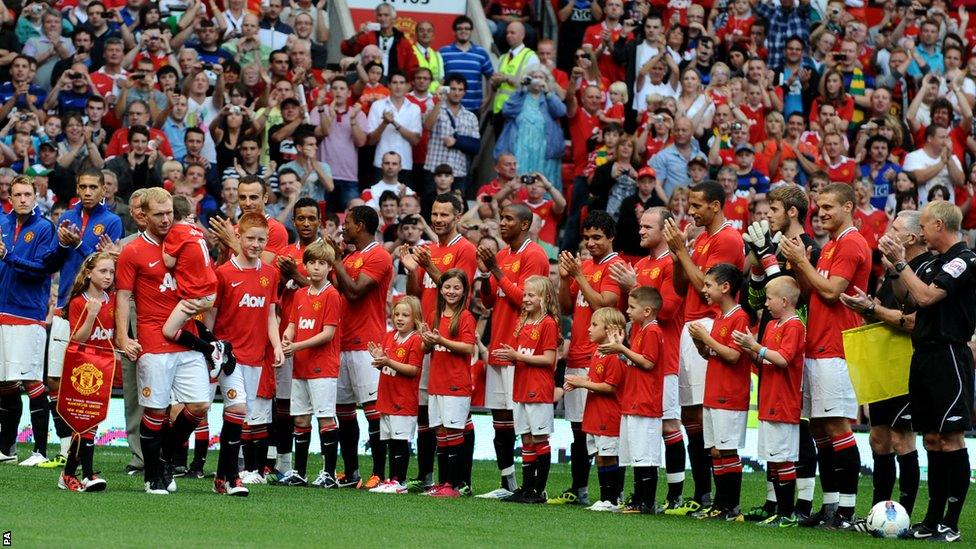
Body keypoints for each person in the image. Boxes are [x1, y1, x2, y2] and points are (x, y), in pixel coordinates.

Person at [878, 201, 973, 542]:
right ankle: (932, 520)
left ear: (937, 225)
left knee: (951, 439)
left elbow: (928, 297)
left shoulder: (964, 259)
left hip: (949, 353)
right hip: (923, 354)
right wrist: (893, 266)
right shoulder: (933, 261)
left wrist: (902, 263)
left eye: (926, 223)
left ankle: (951, 522)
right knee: (931, 439)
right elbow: (908, 300)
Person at [781, 183, 871, 529]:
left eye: (829, 207)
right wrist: (795, 264)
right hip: (817, 344)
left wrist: (803, 260)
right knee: (819, 428)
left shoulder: (850, 243)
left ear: (849, 206)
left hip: (837, 346)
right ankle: (831, 506)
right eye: (818, 207)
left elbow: (833, 292)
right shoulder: (831, 245)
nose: (821, 213)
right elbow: (810, 292)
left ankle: (847, 511)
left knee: (837, 426)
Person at [115, 187, 211, 495]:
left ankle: (164, 459)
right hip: (153, 338)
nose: (166, 219)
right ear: (143, 216)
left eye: (169, 212)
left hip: (187, 336)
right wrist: (122, 336)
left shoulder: (187, 240)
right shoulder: (133, 251)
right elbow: (123, 296)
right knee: (155, 411)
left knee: (199, 405)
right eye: (159, 214)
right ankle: (152, 474)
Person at [662, 181, 745, 515]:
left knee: (700, 412)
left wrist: (682, 251)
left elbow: (708, 288)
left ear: (714, 205)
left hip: (711, 323)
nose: (690, 211)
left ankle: (711, 496)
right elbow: (683, 286)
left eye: (696, 206)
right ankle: (704, 494)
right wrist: (678, 253)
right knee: (690, 415)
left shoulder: (726, 238)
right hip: (690, 322)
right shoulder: (700, 238)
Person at [840, 210, 926, 519]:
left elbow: (912, 322)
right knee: (878, 439)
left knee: (903, 439)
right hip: (882, 366)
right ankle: (878, 511)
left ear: (911, 238)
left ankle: (904, 515)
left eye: (896, 228)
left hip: (905, 367)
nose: (887, 231)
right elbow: (883, 313)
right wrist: (866, 308)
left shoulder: (920, 271)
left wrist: (873, 309)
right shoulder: (890, 270)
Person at [609, 207, 686, 511]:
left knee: (668, 425)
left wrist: (634, 285)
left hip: (664, 359)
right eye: (640, 226)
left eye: (647, 227)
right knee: (644, 427)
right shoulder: (641, 264)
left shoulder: (671, 264)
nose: (640, 231)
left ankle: (675, 493)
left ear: (665, 229)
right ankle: (645, 494)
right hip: (639, 356)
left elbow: (665, 311)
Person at [399, 193, 477, 491]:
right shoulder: (428, 248)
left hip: (452, 333)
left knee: (458, 414)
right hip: (428, 334)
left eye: (445, 215)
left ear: (457, 216)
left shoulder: (464, 249)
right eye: (435, 214)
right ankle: (428, 475)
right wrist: (412, 269)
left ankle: (462, 480)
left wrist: (429, 265)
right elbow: (417, 291)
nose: (439, 219)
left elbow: (458, 288)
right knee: (427, 409)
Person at [550, 210, 625, 505]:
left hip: (602, 355)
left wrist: (579, 275)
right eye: (587, 237)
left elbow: (603, 308)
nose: (591, 243)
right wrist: (565, 278)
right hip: (578, 352)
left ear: (610, 238)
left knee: (602, 429)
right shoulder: (588, 266)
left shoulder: (614, 266)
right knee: (577, 427)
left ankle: (612, 493)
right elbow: (568, 306)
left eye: (597, 237)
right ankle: (578, 488)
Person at [475, 203, 549, 499]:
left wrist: (495, 270)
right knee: (501, 420)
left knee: (525, 423)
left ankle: (533, 487)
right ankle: (508, 483)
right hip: (498, 347)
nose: (502, 223)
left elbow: (528, 301)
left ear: (525, 224)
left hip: (520, 350)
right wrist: (484, 277)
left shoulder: (535, 255)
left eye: (508, 219)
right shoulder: (503, 255)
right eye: (501, 218)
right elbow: (492, 302)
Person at [207, 213, 283, 492]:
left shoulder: (270, 274)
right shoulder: (223, 273)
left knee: (240, 414)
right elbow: (211, 318)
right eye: (250, 238)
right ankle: (231, 478)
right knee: (237, 409)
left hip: (256, 357)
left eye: (261, 239)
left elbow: (270, 314)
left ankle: (220, 477)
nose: (255, 244)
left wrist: (275, 345)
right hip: (230, 356)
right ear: (238, 237)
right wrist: (211, 352)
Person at [0, 175, 66, 466]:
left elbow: (42, 269)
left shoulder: (43, 228)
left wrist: (9, 256)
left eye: (28, 194)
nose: (23, 199)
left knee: (30, 381)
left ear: (36, 196)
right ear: (10, 198)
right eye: (18, 194)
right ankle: (8, 448)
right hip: (2, 310)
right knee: (4, 383)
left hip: (28, 313)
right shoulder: (2, 224)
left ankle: (40, 450)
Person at [327, 205, 393, 490]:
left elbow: (354, 292)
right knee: (343, 411)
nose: (344, 227)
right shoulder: (351, 256)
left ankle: (379, 472)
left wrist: (337, 261)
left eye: (349, 223)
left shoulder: (378, 256)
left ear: (362, 226)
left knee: (372, 411)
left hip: (367, 343)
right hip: (341, 341)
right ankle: (351, 471)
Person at [732, 276, 806, 527]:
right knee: (774, 458)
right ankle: (781, 512)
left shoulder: (795, 326)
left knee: (783, 457)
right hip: (769, 398)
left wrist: (757, 347)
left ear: (784, 301)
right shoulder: (774, 325)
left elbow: (784, 359)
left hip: (784, 401)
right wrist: (749, 349)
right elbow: (765, 360)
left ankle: (787, 514)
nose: (766, 304)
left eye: (769, 298)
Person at [687, 264, 750, 521]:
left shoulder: (739, 316)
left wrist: (707, 338)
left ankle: (731, 507)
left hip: (730, 395)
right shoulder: (719, 318)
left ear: (725, 287)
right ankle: (719, 504)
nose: (704, 290)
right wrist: (699, 342)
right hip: (714, 392)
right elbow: (712, 354)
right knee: (715, 450)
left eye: (708, 285)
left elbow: (734, 355)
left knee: (727, 450)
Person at [278, 240, 342, 488]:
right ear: (304, 265)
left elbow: (327, 334)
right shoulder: (301, 294)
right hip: (301, 366)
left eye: (322, 263)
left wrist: (296, 346)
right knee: (301, 419)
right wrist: (288, 336)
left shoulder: (332, 295)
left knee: (325, 418)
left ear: (329, 268)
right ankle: (300, 472)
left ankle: (329, 473)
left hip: (322, 367)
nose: (316, 268)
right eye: (312, 263)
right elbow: (294, 323)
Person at [492, 275, 559, 504]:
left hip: (538, 389)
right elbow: (523, 354)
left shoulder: (548, 323)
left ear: (544, 298)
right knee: (527, 439)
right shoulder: (523, 321)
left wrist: (517, 356)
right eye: (525, 294)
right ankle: (527, 488)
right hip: (521, 387)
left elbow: (549, 359)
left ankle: (539, 491)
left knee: (539, 438)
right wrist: (511, 357)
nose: (526, 298)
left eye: (532, 295)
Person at [57, 251, 117, 492]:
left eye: (111, 272)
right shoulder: (79, 302)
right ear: (89, 273)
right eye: (103, 271)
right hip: (82, 368)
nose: (108, 276)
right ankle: (83, 474)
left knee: (92, 421)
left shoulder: (113, 300)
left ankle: (70, 473)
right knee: (84, 422)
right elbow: (76, 340)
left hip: (105, 368)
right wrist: (91, 316)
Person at [604, 285, 665, 514]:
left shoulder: (652, 331)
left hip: (645, 402)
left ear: (647, 310)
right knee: (636, 455)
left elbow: (648, 362)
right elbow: (636, 360)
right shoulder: (640, 330)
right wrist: (621, 349)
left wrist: (621, 348)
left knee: (645, 456)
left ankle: (646, 502)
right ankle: (638, 499)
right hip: (633, 400)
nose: (627, 311)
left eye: (632, 307)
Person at [420, 269, 477, 498]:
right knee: (441, 433)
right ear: (440, 289)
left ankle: (454, 484)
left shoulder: (465, 317)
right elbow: (426, 349)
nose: (451, 292)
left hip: (456, 383)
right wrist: (425, 340)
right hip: (437, 382)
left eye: (456, 287)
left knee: (454, 431)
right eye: (447, 287)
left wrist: (441, 339)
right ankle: (443, 482)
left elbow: (467, 347)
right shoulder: (434, 314)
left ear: (464, 291)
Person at [564, 306, 626, 511]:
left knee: (609, 456)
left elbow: (609, 386)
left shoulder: (613, 357)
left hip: (608, 415)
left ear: (610, 330)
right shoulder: (597, 353)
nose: (588, 329)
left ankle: (613, 499)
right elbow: (595, 379)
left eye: (594, 325)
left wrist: (582, 383)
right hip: (595, 413)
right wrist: (579, 381)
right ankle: (605, 498)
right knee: (600, 456)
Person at [160, 196, 231, 374]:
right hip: (208, 292)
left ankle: (211, 350)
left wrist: (162, 243)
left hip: (195, 295)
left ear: (171, 214)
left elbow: (168, 262)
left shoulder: (176, 232)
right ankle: (217, 343)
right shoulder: (194, 229)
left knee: (169, 330)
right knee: (188, 320)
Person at [365, 296, 424, 494]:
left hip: (403, 400)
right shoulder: (390, 336)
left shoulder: (416, 339)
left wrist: (388, 362)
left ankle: (399, 481)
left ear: (415, 318)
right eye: (397, 314)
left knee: (400, 442)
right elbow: (387, 367)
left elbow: (413, 370)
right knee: (390, 441)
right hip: (387, 397)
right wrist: (380, 361)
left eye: (405, 315)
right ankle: (390, 479)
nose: (400, 318)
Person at [495, 66, 566, 190]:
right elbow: (506, 110)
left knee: (541, 181)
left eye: (541, 77)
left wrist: (548, 93)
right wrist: (521, 89)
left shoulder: (549, 96)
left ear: (546, 80)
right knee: (519, 180)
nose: (538, 80)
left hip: (544, 150)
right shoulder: (521, 95)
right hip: (521, 148)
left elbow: (561, 112)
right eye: (534, 77)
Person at [366, 72, 422, 187]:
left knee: (405, 202)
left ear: (408, 86)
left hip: (404, 164)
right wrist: (384, 123)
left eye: (402, 83)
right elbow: (371, 140)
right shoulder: (377, 106)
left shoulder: (414, 108)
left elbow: (415, 140)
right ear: (389, 85)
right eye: (395, 82)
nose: (398, 86)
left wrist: (394, 123)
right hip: (381, 164)